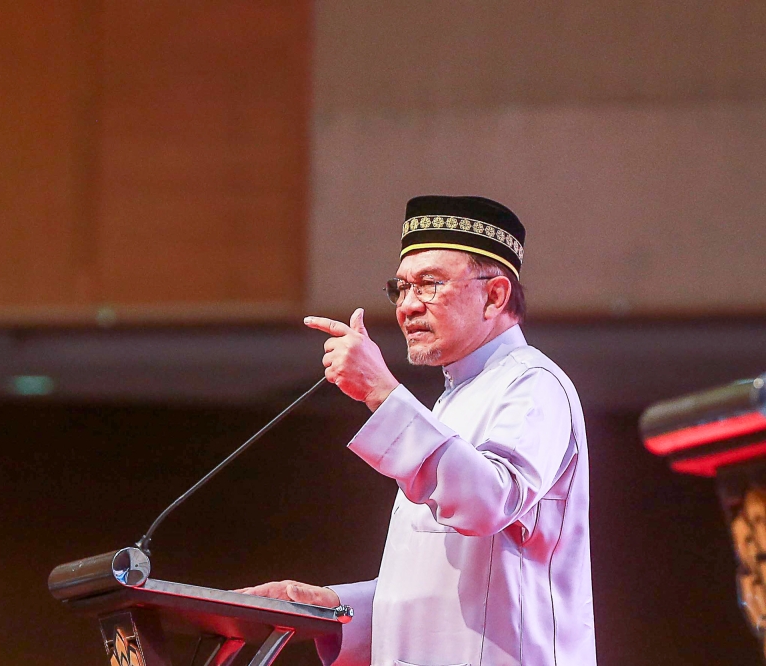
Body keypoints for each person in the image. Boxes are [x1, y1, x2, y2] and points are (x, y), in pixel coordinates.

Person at [237, 196, 596, 666]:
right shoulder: (455, 398)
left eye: (429, 285)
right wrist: (330, 607)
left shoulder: (533, 384)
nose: (406, 306)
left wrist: (382, 393)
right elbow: (442, 594)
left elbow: (487, 503)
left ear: (494, 296)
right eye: (402, 287)